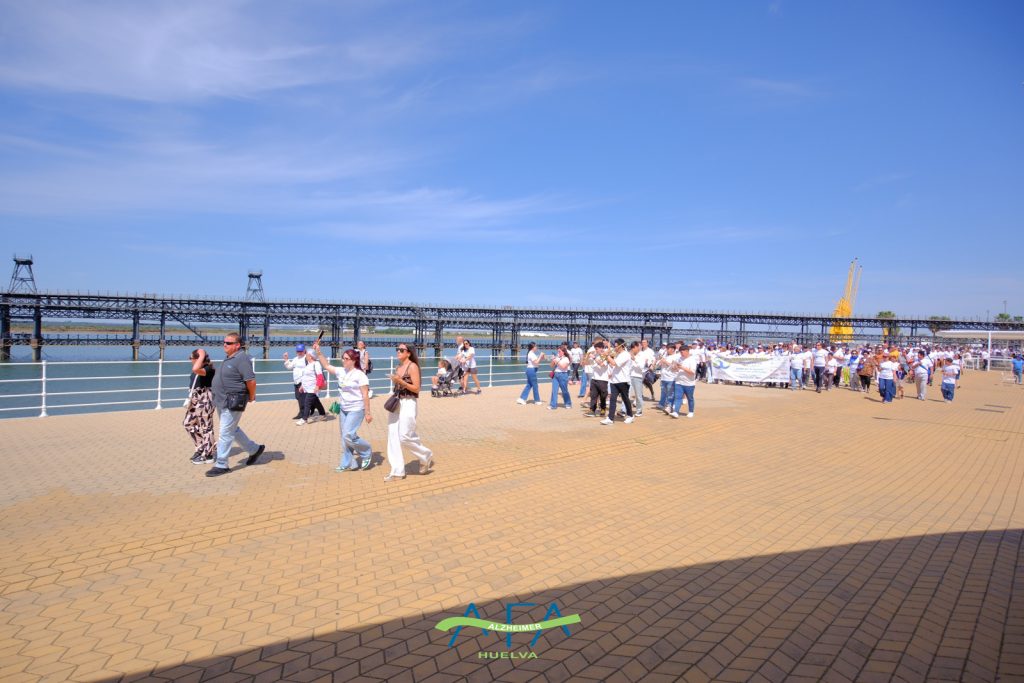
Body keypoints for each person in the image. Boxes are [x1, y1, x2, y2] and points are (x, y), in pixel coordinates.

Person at [206, 333, 264, 477]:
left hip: (233, 401)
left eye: (228, 343)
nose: (225, 344)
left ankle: (221, 464)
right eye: (224, 342)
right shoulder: (230, 357)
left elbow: (251, 381)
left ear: (237, 345)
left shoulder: (242, 358)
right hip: (221, 400)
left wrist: (251, 396)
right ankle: (254, 449)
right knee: (232, 429)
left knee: (225, 432)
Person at [314, 342, 373, 471]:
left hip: (356, 408)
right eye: (343, 358)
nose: (343, 360)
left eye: (346, 359)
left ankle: (366, 451)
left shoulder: (360, 375)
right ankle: (349, 463)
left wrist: (368, 413)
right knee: (344, 437)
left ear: (353, 361)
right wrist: (318, 352)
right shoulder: (341, 371)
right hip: (343, 408)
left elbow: (365, 395)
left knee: (348, 435)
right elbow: (326, 365)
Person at [384, 343, 433, 482]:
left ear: (409, 353)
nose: (398, 352)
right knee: (393, 436)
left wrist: (401, 381)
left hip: (409, 402)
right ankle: (397, 471)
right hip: (397, 401)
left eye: (401, 350)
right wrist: (395, 381)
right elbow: (399, 386)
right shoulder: (398, 367)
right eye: (397, 349)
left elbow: (416, 388)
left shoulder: (413, 366)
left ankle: (425, 455)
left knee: (405, 435)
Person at [184, 349, 216, 465]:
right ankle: (201, 447)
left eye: (191, 358)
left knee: (206, 427)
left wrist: (201, 355)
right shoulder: (200, 368)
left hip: (205, 399)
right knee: (188, 423)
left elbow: (196, 369)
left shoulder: (208, 369)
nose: (190, 360)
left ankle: (209, 454)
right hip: (195, 399)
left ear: (198, 359)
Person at [601, 339, 634, 425]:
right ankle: (610, 418)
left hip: (623, 381)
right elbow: (613, 365)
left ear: (621, 346)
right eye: (614, 346)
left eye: (616, 346)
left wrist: (607, 356)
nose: (615, 348)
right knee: (612, 399)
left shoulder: (626, 355)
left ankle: (630, 416)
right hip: (614, 381)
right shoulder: (618, 354)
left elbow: (614, 363)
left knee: (625, 399)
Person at [670, 346, 698, 418]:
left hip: (689, 383)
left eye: (682, 352)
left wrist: (682, 367)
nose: (681, 354)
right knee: (678, 397)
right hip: (679, 382)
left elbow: (692, 372)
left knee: (690, 398)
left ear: (687, 351)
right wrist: (675, 367)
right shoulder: (679, 359)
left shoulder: (692, 360)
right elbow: (674, 369)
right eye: (680, 352)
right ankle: (676, 412)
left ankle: (691, 411)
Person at [587, 341, 611, 417]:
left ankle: (603, 408)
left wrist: (594, 358)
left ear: (601, 348)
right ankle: (592, 410)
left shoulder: (606, 356)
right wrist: (588, 357)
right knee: (593, 395)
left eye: (597, 349)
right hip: (594, 378)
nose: (596, 350)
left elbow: (601, 364)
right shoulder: (595, 356)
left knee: (603, 396)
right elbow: (587, 363)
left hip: (603, 379)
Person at [549, 345, 572, 409]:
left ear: (563, 352)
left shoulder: (566, 359)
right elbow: (551, 366)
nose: (558, 353)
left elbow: (563, 367)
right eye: (558, 351)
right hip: (556, 374)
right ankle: (553, 405)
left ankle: (568, 403)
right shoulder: (557, 357)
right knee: (554, 390)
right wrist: (553, 360)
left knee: (564, 390)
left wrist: (557, 361)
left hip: (563, 374)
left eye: (559, 351)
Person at [658, 343, 679, 409]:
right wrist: (660, 361)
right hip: (663, 377)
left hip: (671, 378)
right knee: (663, 392)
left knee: (670, 393)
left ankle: (669, 406)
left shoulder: (676, 357)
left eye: (668, 349)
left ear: (672, 349)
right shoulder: (665, 355)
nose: (666, 350)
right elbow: (658, 365)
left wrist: (665, 362)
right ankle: (661, 404)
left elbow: (675, 368)